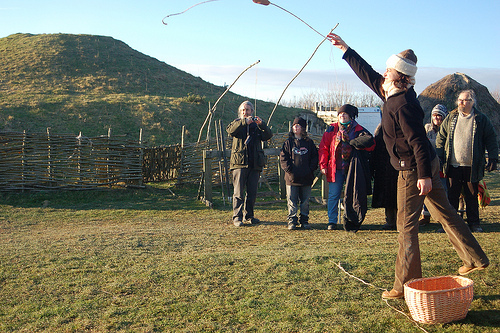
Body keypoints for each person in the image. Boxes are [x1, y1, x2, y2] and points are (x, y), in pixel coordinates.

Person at [328, 33, 489, 299]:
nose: (384, 71)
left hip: (414, 169)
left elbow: (418, 142)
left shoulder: (402, 104)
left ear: (397, 74)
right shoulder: (393, 90)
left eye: (388, 69)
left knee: (406, 227)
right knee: (445, 212)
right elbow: (368, 74)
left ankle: (404, 285)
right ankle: (475, 258)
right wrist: (346, 49)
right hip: (422, 165)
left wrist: (424, 176)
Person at [435, 90, 498, 233]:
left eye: (464, 100)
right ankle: (450, 225)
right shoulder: (451, 117)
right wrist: (439, 156)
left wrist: (493, 157)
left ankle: (474, 224)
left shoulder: (481, 119)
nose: (461, 103)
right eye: (459, 100)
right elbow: (440, 138)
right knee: (451, 196)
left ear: (472, 102)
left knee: (471, 196)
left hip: (472, 165)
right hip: (453, 165)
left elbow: (491, 139)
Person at [318, 104, 375, 231]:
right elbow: (324, 148)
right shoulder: (331, 129)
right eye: (340, 114)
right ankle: (332, 221)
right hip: (335, 168)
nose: (342, 116)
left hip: (353, 169)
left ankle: (351, 219)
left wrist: (357, 144)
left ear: (350, 116)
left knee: (352, 195)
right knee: (333, 195)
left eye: (345, 114)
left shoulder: (358, 129)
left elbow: (370, 145)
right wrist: (323, 165)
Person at [227, 101, 273, 227]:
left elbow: (268, 135)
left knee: (252, 192)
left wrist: (262, 124)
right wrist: (244, 122)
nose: (245, 112)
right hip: (239, 163)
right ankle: (237, 217)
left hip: (255, 164)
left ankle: (249, 216)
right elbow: (230, 131)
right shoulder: (237, 123)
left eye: (247, 110)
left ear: (252, 111)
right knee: (238, 192)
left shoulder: (257, 126)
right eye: (243, 110)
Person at [279, 117, 319, 230]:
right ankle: (292, 220)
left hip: (306, 177)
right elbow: (283, 158)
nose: (296, 127)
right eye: (294, 125)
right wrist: (290, 171)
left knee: (305, 201)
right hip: (291, 178)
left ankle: (304, 220)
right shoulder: (288, 143)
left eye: (299, 125)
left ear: (303, 128)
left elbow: (314, 158)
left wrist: (310, 170)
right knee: (291, 200)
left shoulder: (309, 143)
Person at [419, 104, 448, 226]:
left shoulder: (447, 130)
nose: (436, 118)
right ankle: (426, 215)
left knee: (443, 191)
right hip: (429, 163)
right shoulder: (427, 128)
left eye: (439, 115)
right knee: (426, 191)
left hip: (442, 165)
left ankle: (443, 217)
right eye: (434, 115)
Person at [370, 123, 398, 230]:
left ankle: (399, 221)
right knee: (388, 196)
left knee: (398, 195)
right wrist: (373, 167)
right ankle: (390, 220)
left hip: (398, 166)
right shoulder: (382, 128)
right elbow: (375, 148)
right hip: (384, 168)